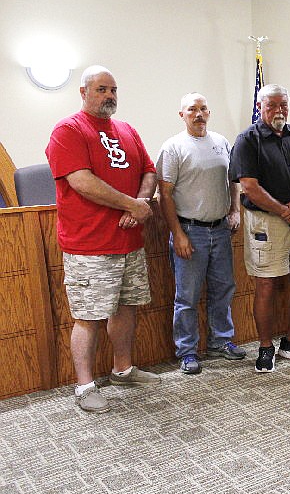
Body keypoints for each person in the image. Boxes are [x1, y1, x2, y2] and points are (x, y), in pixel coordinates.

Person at [46, 65, 160, 413]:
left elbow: (149, 170)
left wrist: (139, 205)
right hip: (90, 247)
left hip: (129, 243)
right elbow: (81, 181)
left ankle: (122, 370)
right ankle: (84, 386)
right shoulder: (68, 130)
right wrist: (133, 205)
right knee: (89, 316)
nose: (108, 95)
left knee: (126, 309)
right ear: (83, 92)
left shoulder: (127, 129)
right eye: (100, 89)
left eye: (112, 90)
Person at [230, 84, 290, 373]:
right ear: (260, 107)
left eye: (283, 105)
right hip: (267, 222)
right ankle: (266, 347)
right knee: (266, 285)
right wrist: (284, 211)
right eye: (272, 106)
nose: (278, 111)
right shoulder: (247, 139)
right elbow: (250, 187)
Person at [156, 93, 245, 375]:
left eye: (203, 109)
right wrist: (178, 234)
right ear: (181, 114)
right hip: (189, 232)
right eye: (192, 109)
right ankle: (187, 351)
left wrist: (235, 211)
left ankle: (221, 341)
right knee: (188, 296)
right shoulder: (173, 147)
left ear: (209, 112)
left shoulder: (221, 143)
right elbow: (165, 195)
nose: (199, 114)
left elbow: (233, 182)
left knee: (223, 289)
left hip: (220, 230)